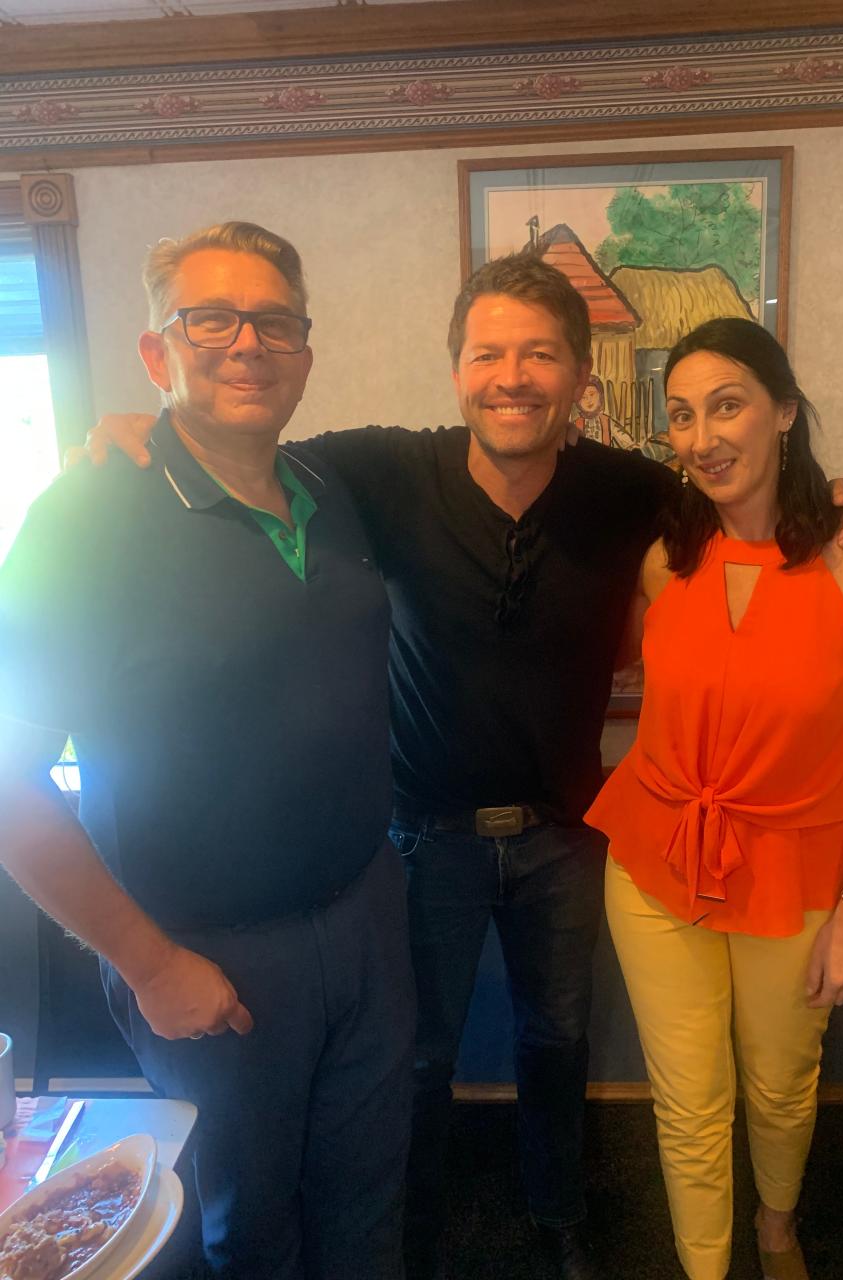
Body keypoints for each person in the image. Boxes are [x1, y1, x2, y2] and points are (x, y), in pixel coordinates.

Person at [83, 255, 843, 1280]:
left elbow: (745, 489)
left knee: (557, 1044)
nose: (511, 375)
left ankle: (560, 1215)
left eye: (540, 355)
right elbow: (231, 450)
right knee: (417, 1061)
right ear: (456, 369)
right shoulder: (375, 472)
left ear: (581, 381)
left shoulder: (631, 491)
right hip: (419, 835)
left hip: (568, 837)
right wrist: (131, 429)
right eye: (488, 352)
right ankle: (417, 1233)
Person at [0, 221, 414, 1280]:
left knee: (367, 1207)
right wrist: (149, 964)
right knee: (249, 1234)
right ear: (157, 352)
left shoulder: (337, 491)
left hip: (367, 913)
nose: (247, 344)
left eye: (274, 321)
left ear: (306, 352)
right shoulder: (85, 514)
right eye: (209, 318)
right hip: (206, 956)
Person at [586, 317, 843, 1280]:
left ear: (785, 410)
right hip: (655, 862)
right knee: (688, 1097)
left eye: (729, 404)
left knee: (780, 1087)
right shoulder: (665, 557)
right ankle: (707, 1268)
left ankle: (777, 1234)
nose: (703, 436)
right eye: (683, 416)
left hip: (799, 872)